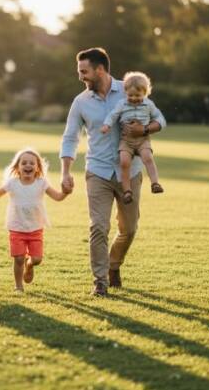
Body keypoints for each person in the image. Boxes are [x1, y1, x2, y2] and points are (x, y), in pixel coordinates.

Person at [59, 48, 166, 297]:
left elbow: (159, 119)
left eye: (84, 71)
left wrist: (145, 130)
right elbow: (70, 138)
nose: (81, 77)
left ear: (100, 69)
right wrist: (65, 171)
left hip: (131, 172)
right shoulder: (81, 102)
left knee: (129, 229)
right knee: (98, 226)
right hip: (97, 171)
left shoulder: (131, 88)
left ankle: (114, 264)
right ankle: (100, 282)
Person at [0, 148, 68, 293]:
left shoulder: (42, 183)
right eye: (24, 163)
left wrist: (66, 192)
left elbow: (58, 197)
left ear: (37, 168)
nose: (28, 165)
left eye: (31, 163)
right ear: (17, 167)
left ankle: (28, 265)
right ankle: (18, 286)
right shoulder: (12, 183)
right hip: (17, 227)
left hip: (35, 228)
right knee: (18, 259)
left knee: (37, 259)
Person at [100, 71, 165, 204]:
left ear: (145, 93)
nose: (134, 98)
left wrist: (146, 128)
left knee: (148, 157)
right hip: (126, 140)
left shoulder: (149, 105)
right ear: (125, 92)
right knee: (124, 162)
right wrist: (107, 125)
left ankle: (155, 183)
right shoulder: (122, 104)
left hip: (143, 139)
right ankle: (127, 191)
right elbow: (113, 115)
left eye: (138, 95)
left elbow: (159, 119)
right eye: (130, 95)